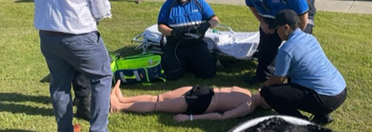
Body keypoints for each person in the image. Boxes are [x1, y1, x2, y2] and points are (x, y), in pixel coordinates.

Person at [34, 0, 112, 132]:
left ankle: (65, 129)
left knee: (59, 85)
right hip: (79, 36)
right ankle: (98, 129)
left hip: (48, 37)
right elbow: (101, 9)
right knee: (102, 78)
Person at [260, 9, 346, 125]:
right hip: (340, 91)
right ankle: (322, 117)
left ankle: (303, 124)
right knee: (293, 79)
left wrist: (264, 87)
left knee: (270, 93)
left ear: (286, 28)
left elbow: (278, 79)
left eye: (277, 29)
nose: (276, 32)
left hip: (325, 99)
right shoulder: (310, 38)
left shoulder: (287, 49)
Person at [244, 0, 316, 84]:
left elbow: (303, 12)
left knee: (297, 45)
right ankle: (264, 75)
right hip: (272, 10)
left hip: (297, 12)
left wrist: (299, 34)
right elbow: (251, 4)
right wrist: (263, 22)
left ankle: (297, 79)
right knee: (267, 40)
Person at [109, 81, 271, 122]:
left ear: (264, 104)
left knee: (156, 105)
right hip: (204, 90)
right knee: (159, 97)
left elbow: (220, 116)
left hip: (201, 103)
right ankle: (123, 98)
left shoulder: (247, 107)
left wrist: (191, 118)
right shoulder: (246, 92)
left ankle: (120, 107)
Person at [66, 0, 100, 121]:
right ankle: (83, 101)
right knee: (80, 68)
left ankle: (80, 98)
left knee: (79, 68)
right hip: (75, 27)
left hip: (82, 24)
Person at [157, 0, 219, 80]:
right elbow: (160, 26)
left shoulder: (199, 2)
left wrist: (207, 24)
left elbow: (215, 19)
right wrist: (173, 32)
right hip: (176, 45)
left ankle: (192, 63)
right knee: (172, 75)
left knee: (209, 73)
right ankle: (185, 64)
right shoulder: (168, 4)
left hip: (196, 44)